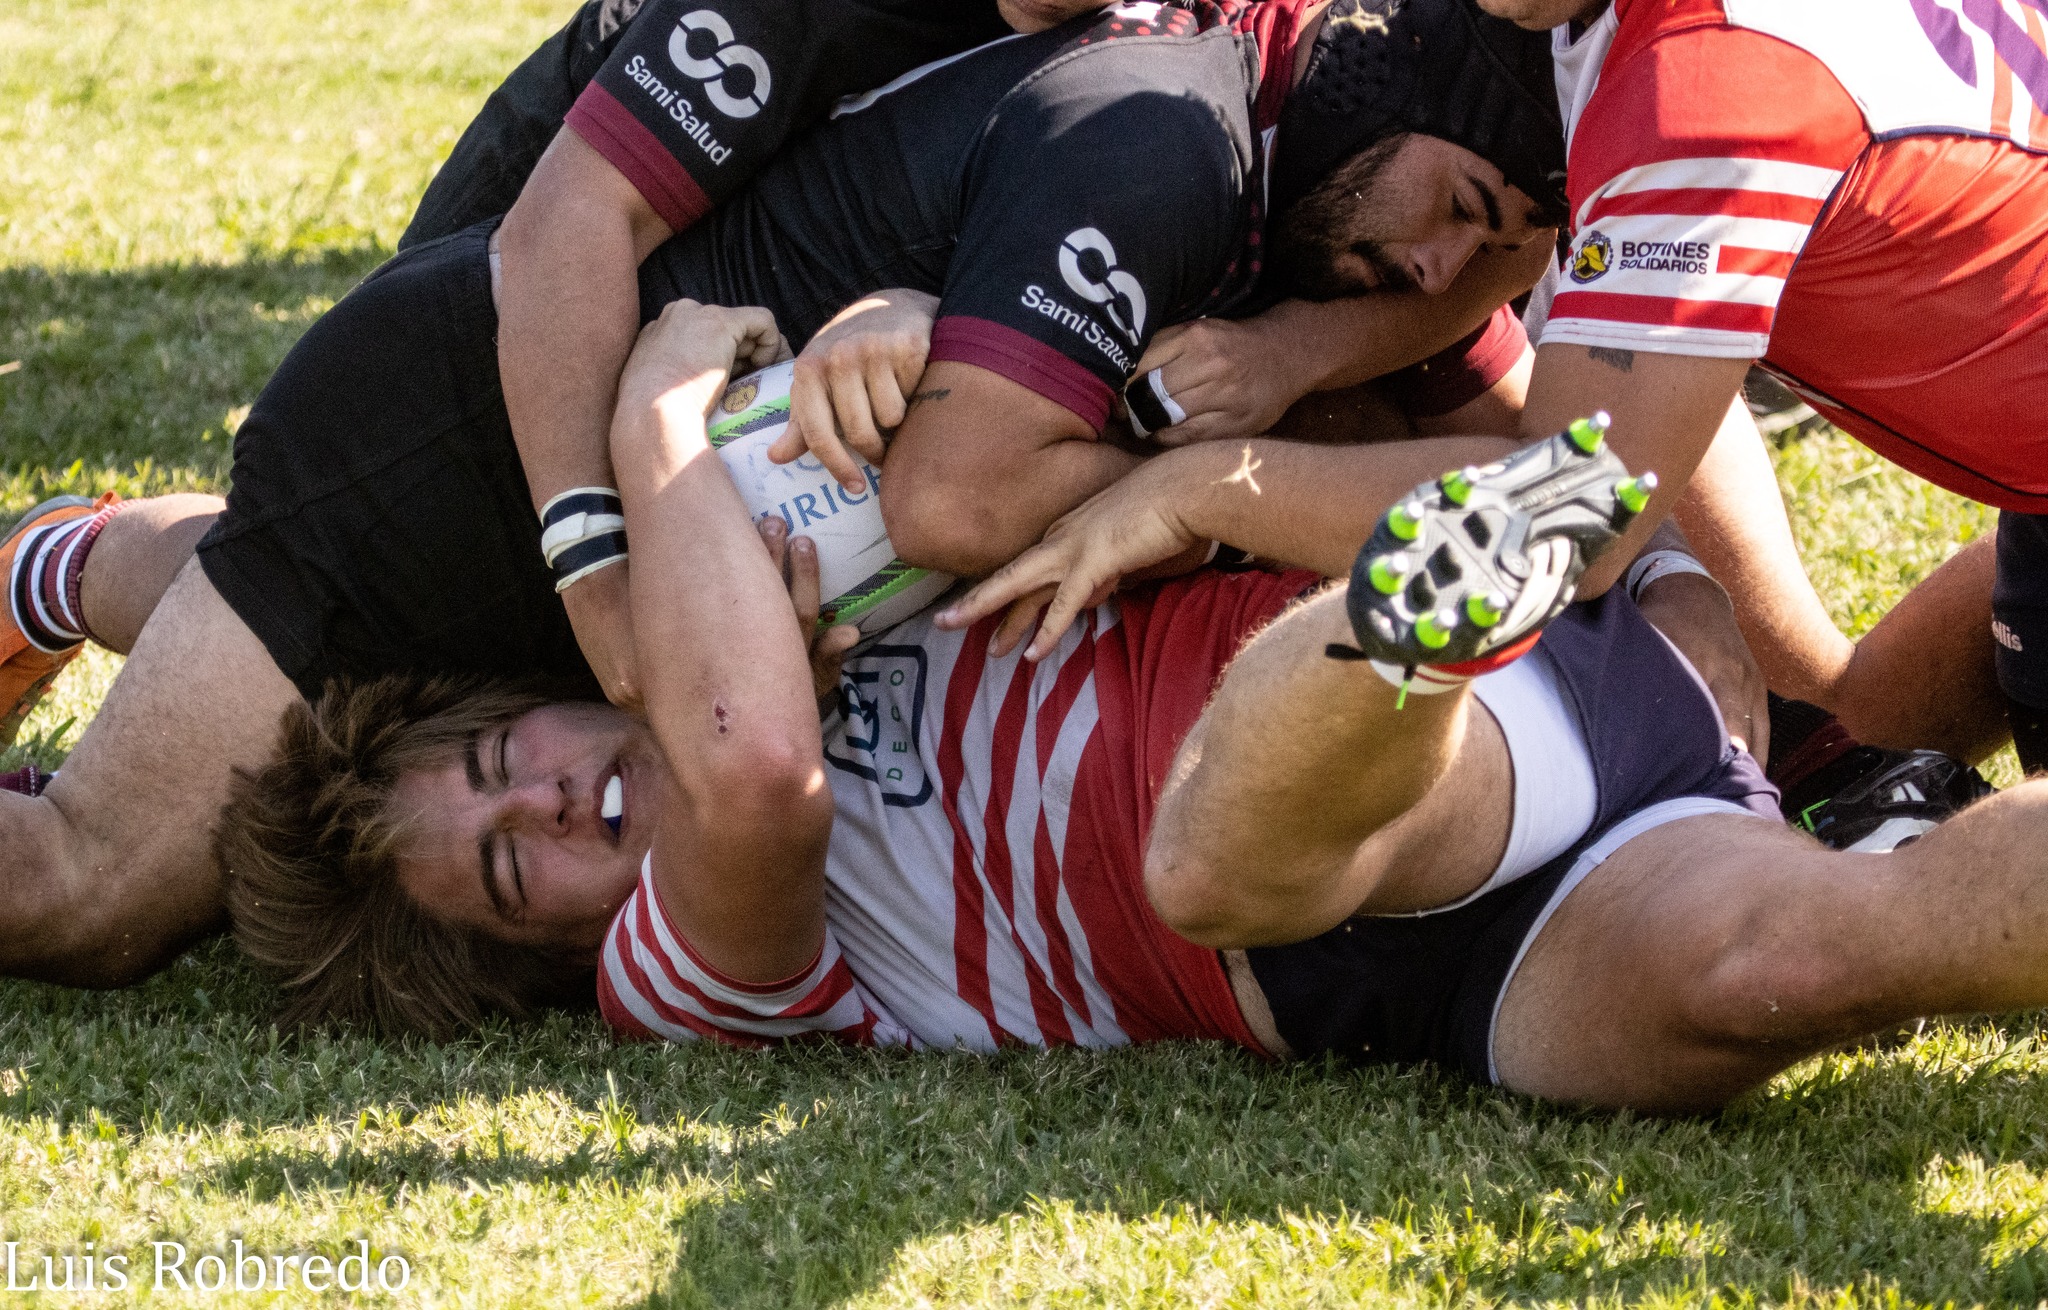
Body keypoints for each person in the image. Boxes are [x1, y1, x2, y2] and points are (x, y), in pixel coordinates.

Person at [0, 0, 1566, 988]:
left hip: (644, 479)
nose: (1446, 260)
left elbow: (1525, 391)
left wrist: (1290, 351)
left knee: (359, 675)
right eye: (1456, 222)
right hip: (471, 443)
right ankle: (66, 581)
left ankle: (55, 567)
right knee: (98, 895)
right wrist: (602, 572)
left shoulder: (1298, 116)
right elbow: (558, 240)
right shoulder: (1167, 124)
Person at [218, 300, 2045, 1118]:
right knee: (1791, 973)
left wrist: (884, 328)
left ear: (510, 698)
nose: (547, 810)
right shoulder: (687, 986)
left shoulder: (795, 574)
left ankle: (1484, 593)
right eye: (511, 873)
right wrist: (650, 417)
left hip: (1360, 773)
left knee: (1210, 857)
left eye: (494, 766)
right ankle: (1520, 563)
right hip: (1472, 964)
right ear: (547, 968)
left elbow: (985, 419)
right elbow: (755, 774)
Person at [1463, 0, 2048, 771]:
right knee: (1868, 733)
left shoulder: (1702, 87)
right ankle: (1829, 749)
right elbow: (1653, 351)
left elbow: (1566, 527)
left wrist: (1248, 481)